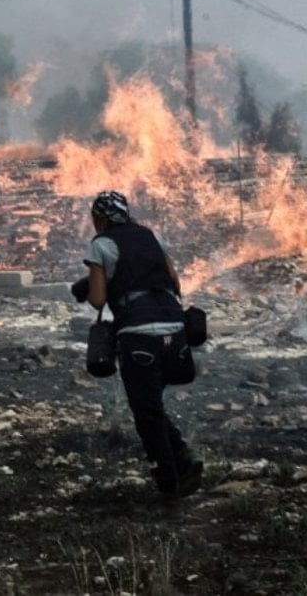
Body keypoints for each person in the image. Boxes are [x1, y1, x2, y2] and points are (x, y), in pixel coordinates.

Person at [72, 191, 202, 502]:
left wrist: (90, 283)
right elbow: (174, 281)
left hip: (139, 336)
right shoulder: (149, 236)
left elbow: (99, 300)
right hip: (175, 329)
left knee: (146, 413)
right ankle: (183, 457)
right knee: (150, 405)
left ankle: (170, 484)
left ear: (100, 218)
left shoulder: (101, 245)